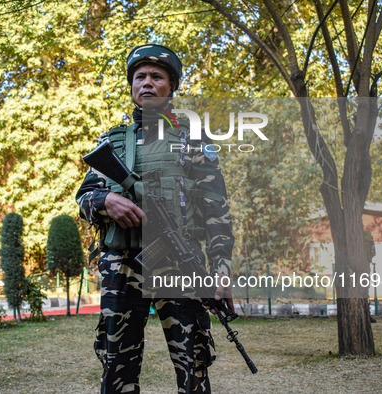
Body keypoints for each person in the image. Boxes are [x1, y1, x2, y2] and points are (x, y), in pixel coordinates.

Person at [76, 44, 235, 393]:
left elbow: (217, 211)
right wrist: (106, 200)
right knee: (116, 365)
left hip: (179, 264)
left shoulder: (192, 139)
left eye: (156, 77)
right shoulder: (113, 141)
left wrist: (222, 267)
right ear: (131, 85)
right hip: (121, 267)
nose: (147, 82)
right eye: (139, 76)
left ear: (171, 86)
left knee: (193, 363)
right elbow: (83, 199)